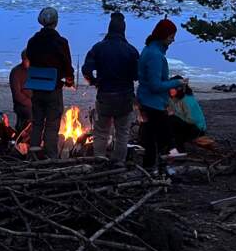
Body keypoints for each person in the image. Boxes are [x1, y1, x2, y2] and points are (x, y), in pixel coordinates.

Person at [82, 12, 140, 165]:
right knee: (122, 132)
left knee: (101, 132)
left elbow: (86, 69)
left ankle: (100, 160)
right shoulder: (131, 50)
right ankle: (118, 162)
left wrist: (94, 81)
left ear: (109, 29)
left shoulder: (98, 47)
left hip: (105, 94)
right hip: (125, 95)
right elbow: (137, 75)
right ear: (123, 30)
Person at [25, 6, 75, 159]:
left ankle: (33, 155)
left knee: (37, 122)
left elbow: (30, 59)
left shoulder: (32, 41)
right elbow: (67, 66)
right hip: (53, 88)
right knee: (52, 124)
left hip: (36, 88)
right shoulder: (60, 42)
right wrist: (69, 80)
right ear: (56, 22)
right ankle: (50, 155)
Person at [137, 18, 186, 172]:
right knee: (165, 137)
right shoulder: (155, 55)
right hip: (153, 104)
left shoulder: (149, 49)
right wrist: (177, 83)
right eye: (171, 36)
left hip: (147, 101)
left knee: (150, 137)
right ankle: (167, 166)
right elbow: (155, 85)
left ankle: (151, 168)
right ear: (164, 36)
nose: (173, 40)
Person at [166, 81, 207, 152]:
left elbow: (191, 120)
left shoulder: (187, 99)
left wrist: (175, 114)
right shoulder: (175, 98)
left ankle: (178, 149)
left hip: (197, 130)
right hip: (188, 126)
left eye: (172, 88)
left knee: (172, 120)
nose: (170, 90)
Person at [8, 50, 32, 132]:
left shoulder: (34, 71)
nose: (28, 62)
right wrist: (30, 103)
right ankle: (22, 134)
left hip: (34, 101)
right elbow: (17, 94)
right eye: (26, 60)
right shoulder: (16, 72)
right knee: (30, 113)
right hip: (22, 104)